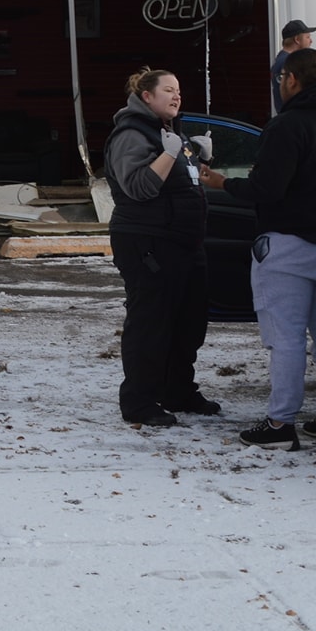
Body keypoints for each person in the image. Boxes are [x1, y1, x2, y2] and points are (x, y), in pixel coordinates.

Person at [199, 48, 316, 450]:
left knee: (285, 338)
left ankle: (280, 424)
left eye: (281, 79)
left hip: (290, 245)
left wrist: (222, 183)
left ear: (291, 79)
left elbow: (266, 189)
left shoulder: (286, 126)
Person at [103, 67, 218, 427]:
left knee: (188, 320)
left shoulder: (167, 132)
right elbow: (139, 187)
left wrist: (199, 159)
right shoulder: (131, 134)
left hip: (181, 242)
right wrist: (170, 155)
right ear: (147, 96)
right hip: (147, 241)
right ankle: (139, 400)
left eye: (179, 90)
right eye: (168, 89)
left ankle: (177, 390)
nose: (176, 95)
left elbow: (182, 185)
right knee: (150, 323)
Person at [271, 19, 316, 113]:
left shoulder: (281, 60)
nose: (311, 41)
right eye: (307, 37)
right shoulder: (288, 62)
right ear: (297, 39)